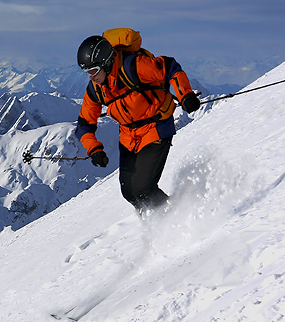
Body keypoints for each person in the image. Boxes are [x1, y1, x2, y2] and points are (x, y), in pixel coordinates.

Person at [74, 28, 201, 213]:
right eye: (86, 72)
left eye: (93, 70)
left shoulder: (133, 66)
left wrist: (185, 95)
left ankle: (177, 216)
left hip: (156, 127)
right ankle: (157, 221)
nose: (91, 76)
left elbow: (170, 67)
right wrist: (94, 149)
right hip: (128, 137)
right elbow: (85, 124)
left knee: (143, 188)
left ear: (107, 63)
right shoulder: (96, 88)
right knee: (129, 193)